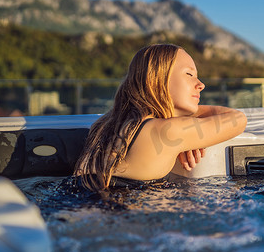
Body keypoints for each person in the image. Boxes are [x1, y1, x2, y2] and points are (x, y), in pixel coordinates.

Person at [74, 44, 247, 191]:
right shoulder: (168, 131)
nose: (201, 84)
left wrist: (186, 131)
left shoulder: (104, 124)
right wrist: (184, 123)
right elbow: (238, 119)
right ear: (155, 80)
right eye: (189, 75)